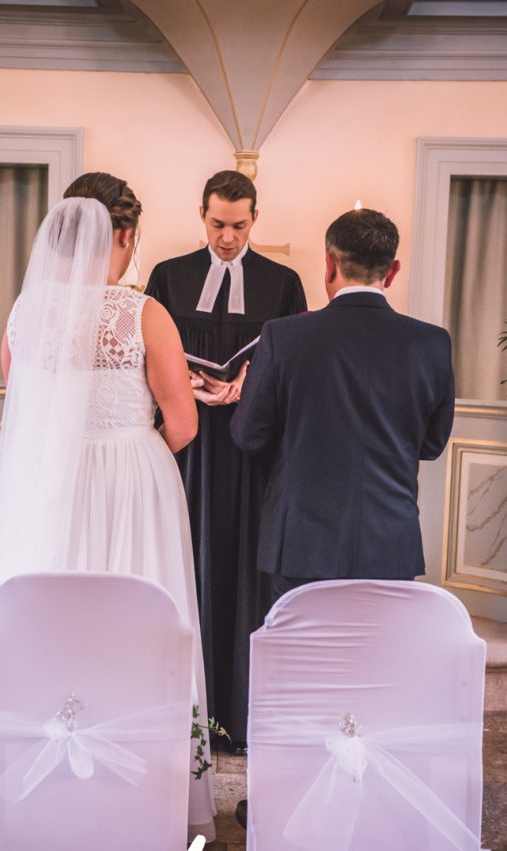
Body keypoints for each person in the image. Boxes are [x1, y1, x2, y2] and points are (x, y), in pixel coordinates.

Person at [0, 173, 216, 851]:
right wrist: (134, 450)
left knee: (48, 631)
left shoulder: (23, 313)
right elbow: (185, 423)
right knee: (139, 635)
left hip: (48, 490)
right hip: (134, 490)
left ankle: (38, 795)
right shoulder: (144, 313)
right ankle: (136, 806)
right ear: (125, 236)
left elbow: (27, 413)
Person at [230, 207, 455, 829]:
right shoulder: (431, 342)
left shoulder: (285, 337)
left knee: (296, 679)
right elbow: (432, 445)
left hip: (299, 539)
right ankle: (373, 801)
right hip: (388, 540)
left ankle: (286, 803)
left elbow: (249, 436)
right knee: (378, 676)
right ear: (394, 269)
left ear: (328, 266)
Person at [146, 170, 307, 753]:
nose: (228, 237)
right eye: (218, 224)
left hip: (248, 450)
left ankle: (236, 714)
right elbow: (142, 353)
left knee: (242, 567)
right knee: (183, 562)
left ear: (254, 220)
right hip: (186, 448)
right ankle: (183, 715)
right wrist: (180, 382)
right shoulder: (169, 275)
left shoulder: (283, 282)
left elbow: (292, 364)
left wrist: (250, 382)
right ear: (202, 215)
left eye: (239, 225)